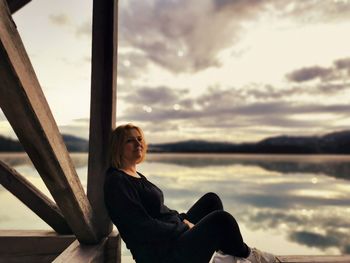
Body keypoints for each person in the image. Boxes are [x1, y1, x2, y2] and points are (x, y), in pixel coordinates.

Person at [104, 123, 277, 263]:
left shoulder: (136, 175)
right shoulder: (117, 181)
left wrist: (181, 220)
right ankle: (249, 256)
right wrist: (183, 226)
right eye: (130, 141)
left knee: (211, 200)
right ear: (118, 147)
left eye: (139, 138)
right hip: (162, 254)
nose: (138, 143)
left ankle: (227, 256)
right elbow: (141, 228)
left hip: (172, 237)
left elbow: (160, 212)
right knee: (221, 219)